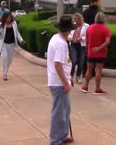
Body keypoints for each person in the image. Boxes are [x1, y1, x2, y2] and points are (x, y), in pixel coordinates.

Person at [47, 16, 75, 145]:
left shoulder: (56, 38)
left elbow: (63, 65)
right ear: (68, 30)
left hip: (60, 81)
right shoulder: (61, 44)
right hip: (59, 83)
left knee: (65, 110)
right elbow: (58, 64)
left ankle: (62, 136)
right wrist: (65, 83)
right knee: (59, 112)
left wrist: (68, 79)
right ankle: (55, 140)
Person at [81, 12, 111, 95]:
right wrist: (99, 48)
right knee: (98, 70)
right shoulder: (106, 29)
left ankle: (85, 87)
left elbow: (87, 40)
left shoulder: (89, 28)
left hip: (91, 52)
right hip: (101, 53)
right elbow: (107, 42)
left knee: (89, 69)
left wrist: (88, 48)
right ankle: (97, 89)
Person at [0, 12, 25, 80]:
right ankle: (4, 74)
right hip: (4, 44)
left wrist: (21, 40)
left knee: (9, 60)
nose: (9, 19)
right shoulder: (1, 24)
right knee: (4, 58)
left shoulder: (14, 23)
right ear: (4, 18)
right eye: (7, 17)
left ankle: (6, 70)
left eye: (10, 17)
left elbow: (17, 33)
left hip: (11, 44)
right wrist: (0, 31)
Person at [81, 0, 100, 78]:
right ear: (92, 2)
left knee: (88, 53)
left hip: (88, 33)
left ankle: (86, 72)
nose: (96, 3)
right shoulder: (96, 12)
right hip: (93, 34)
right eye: (95, 2)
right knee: (92, 54)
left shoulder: (85, 11)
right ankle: (89, 72)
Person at [68, 13, 89, 84]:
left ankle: (78, 76)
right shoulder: (73, 25)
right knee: (73, 61)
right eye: (74, 21)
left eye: (76, 21)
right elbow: (69, 34)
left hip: (82, 45)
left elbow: (88, 36)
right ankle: (70, 76)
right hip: (73, 45)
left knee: (81, 61)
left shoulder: (86, 26)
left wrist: (81, 38)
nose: (75, 22)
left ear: (80, 19)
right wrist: (70, 38)